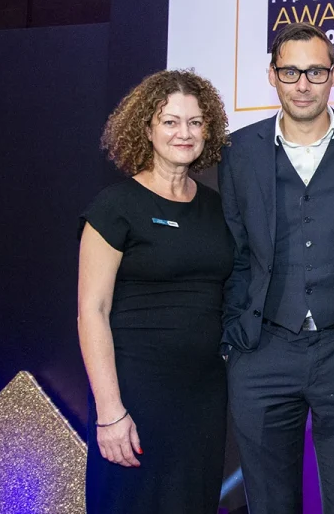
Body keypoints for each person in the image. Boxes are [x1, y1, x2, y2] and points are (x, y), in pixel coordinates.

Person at [219, 22, 334, 514]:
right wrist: (235, 336)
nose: (302, 83)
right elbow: (232, 249)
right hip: (263, 348)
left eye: (315, 70)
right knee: (269, 504)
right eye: (290, 71)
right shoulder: (237, 150)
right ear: (271, 75)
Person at [78, 69, 232, 514]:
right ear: (146, 128)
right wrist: (110, 412)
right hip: (135, 393)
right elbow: (92, 310)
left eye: (195, 122)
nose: (184, 133)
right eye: (170, 121)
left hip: (203, 395)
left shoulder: (217, 207)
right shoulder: (115, 206)